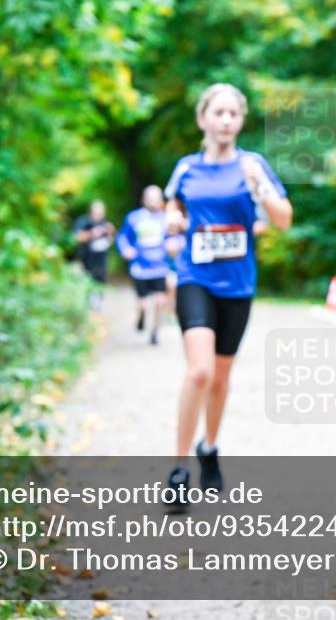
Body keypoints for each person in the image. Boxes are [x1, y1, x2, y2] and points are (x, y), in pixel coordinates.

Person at [162, 83, 293, 511]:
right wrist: (174, 226)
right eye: (217, 113)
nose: (225, 121)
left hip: (238, 282)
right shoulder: (186, 168)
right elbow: (173, 208)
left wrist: (261, 190)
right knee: (198, 371)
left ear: (240, 121)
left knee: (220, 376)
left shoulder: (253, 166)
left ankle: (210, 448)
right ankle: (178, 469)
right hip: (194, 277)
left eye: (232, 114)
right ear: (202, 119)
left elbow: (284, 220)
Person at [117, 186, 171, 345]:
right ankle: (141, 316)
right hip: (140, 269)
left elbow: (176, 237)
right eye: (149, 197)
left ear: (161, 200)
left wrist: (173, 244)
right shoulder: (133, 218)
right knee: (143, 303)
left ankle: (155, 331)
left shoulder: (166, 218)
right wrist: (126, 250)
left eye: (156, 197)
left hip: (160, 267)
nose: (152, 201)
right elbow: (122, 237)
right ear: (143, 199)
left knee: (161, 301)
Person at [72, 200, 116, 311]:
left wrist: (110, 234)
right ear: (91, 211)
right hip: (86, 259)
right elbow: (76, 238)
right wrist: (92, 234)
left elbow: (111, 240)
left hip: (101, 260)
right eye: (96, 211)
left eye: (101, 211)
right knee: (86, 284)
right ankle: (87, 308)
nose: (99, 214)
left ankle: (97, 307)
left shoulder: (106, 223)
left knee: (100, 284)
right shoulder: (83, 221)